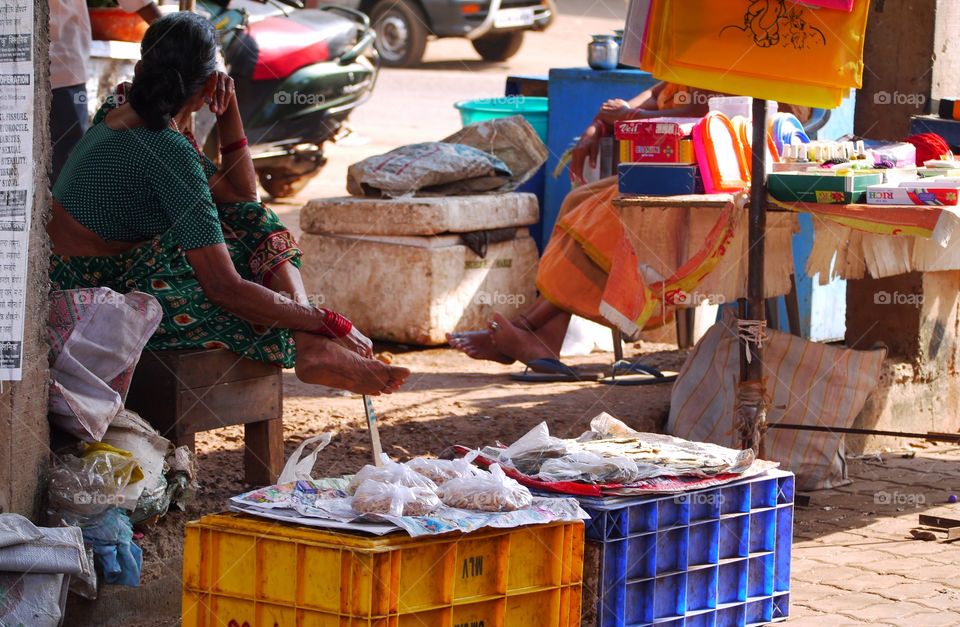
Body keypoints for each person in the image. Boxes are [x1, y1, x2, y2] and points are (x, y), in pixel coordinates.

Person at [49, 12, 409, 396]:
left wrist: (230, 111)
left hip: (90, 268)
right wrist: (326, 320)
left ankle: (311, 346)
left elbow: (241, 200)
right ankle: (312, 345)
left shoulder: (121, 106)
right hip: (97, 293)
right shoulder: (167, 149)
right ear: (208, 87)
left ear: (141, 69)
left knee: (248, 225)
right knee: (257, 309)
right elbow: (224, 288)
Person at [448, 82, 711, 369]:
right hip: (655, 182)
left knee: (602, 220)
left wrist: (627, 116)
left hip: (698, 191)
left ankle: (529, 329)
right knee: (578, 202)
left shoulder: (724, 65)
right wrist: (595, 129)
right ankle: (542, 338)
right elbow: (622, 105)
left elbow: (698, 114)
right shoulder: (679, 74)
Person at [49, 0, 162, 181]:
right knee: (66, 172)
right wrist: (169, 30)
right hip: (60, 64)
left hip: (61, 67)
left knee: (64, 167)